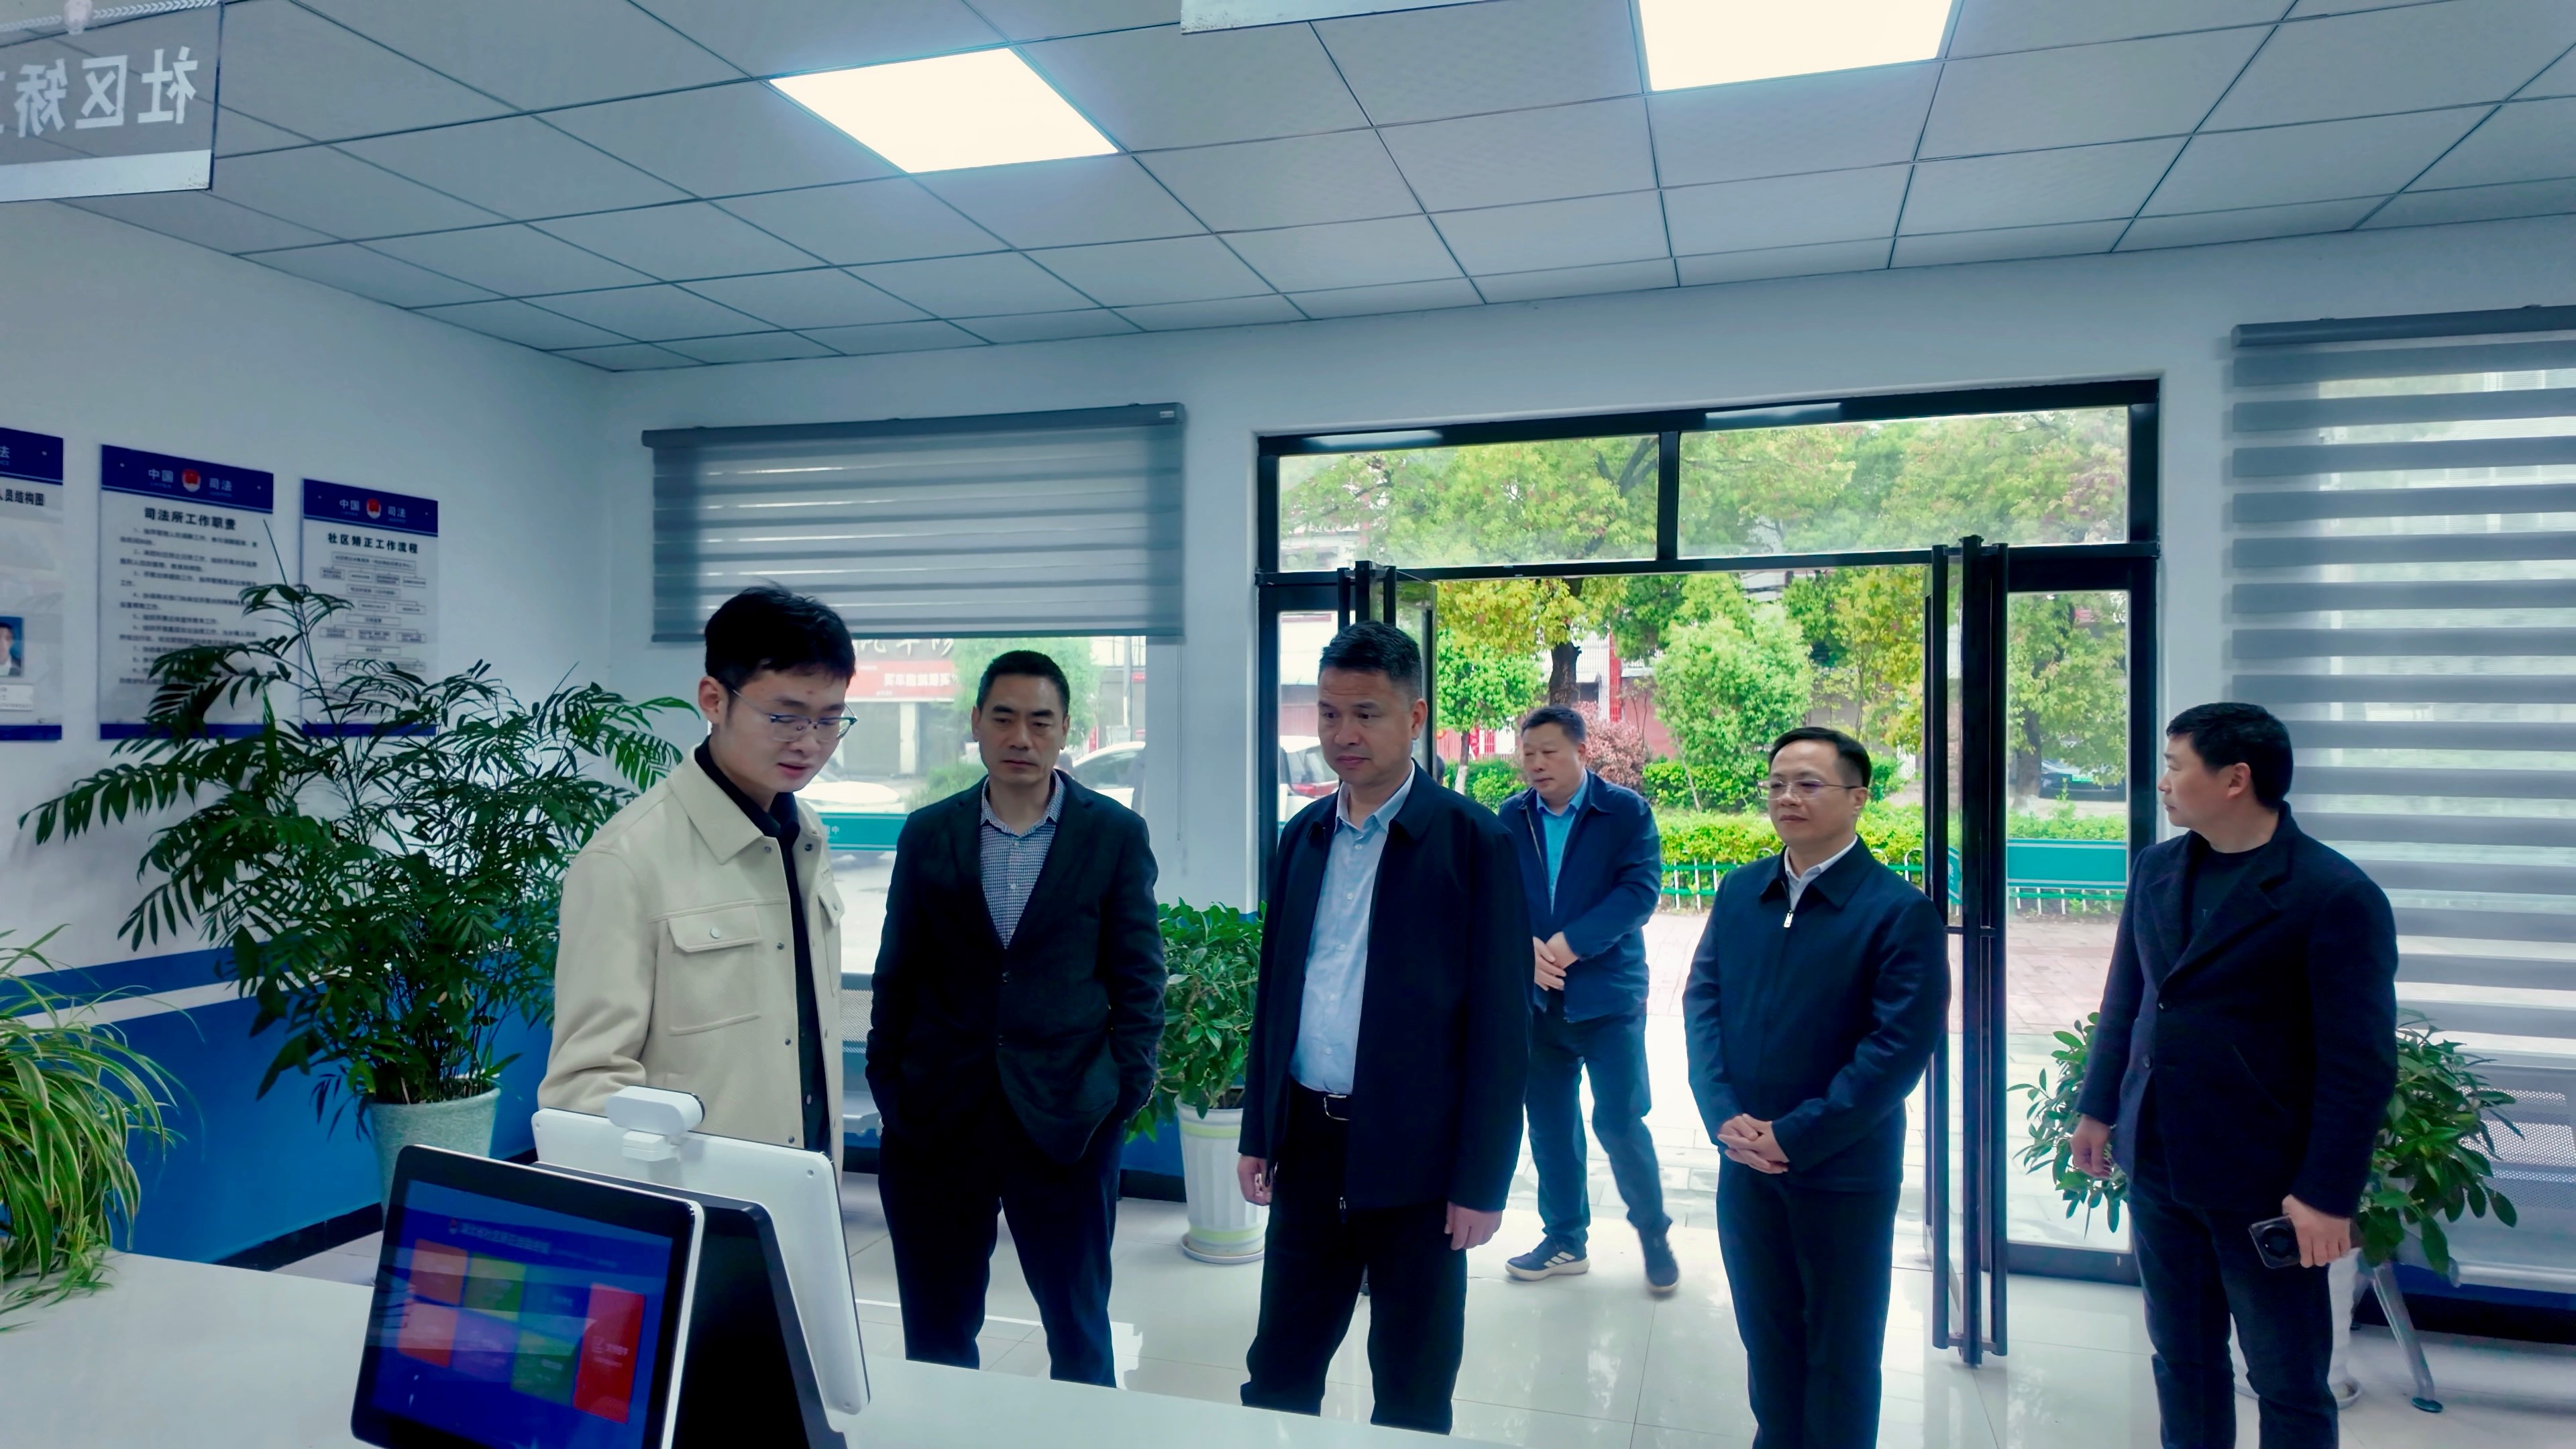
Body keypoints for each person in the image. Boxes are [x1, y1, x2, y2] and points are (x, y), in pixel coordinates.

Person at [2072, 703, 2397, 1449]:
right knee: (2182, 1360)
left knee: (2288, 1381)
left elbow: (2359, 1063)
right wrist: (2097, 1109)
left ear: (2235, 779)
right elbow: (2128, 998)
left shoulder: (2332, 893)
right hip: (2161, 1161)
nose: (2162, 783)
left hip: (2266, 1181)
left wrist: (2326, 1195)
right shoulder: (2157, 868)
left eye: (2175, 766)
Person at [1236, 621, 1529, 1436]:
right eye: (1329, 714)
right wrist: (1260, 1129)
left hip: (1419, 1159)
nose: (1344, 734)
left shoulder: (1474, 842)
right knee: (1279, 1368)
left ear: (1415, 716)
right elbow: (1278, 998)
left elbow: (1503, 1030)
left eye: (1366, 714)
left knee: (1412, 1383)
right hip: (1309, 1144)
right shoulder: (1304, 836)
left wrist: (1481, 1181)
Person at [866, 649, 1165, 1387]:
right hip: (939, 1117)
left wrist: (1122, 1091)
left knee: (1078, 1330)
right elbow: (897, 970)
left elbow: (1138, 976)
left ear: (1066, 730)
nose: (1020, 738)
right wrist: (890, 1085)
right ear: (976, 723)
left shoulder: (1113, 834)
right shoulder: (928, 833)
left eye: (1039, 721)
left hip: (1067, 1120)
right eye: (1003, 719)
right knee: (937, 1333)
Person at [1683, 726, 1946, 1449]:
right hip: (1746, 1164)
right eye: (1776, 784)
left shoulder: (1897, 911)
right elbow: (1703, 1003)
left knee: (1840, 1350)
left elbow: (1896, 1051)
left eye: (1808, 784)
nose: (1787, 798)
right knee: (1766, 1337)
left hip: (1842, 1172)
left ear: (1858, 799)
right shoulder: (1742, 891)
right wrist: (1724, 1116)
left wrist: (1794, 1136)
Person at [542, 585, 855, 1150]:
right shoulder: (626, 860)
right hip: (696, 1192)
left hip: (809, 1177)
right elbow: (584, 1087)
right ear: (714, 700)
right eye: (785, 717)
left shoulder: (805, 834)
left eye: (829, 720)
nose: (809, 744)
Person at [1493, 704, 1674, 1293]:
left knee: (1619, 1121)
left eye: (1549, 752)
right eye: (1528, 754)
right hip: (1538, 1001)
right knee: (1549, 1124)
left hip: (1608, 1000)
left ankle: (1653, 1233)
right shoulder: (1511, 816)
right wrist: (1525, 947)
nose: (1536, 764)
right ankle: (1565, 1240)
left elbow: (1639, 891)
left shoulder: (1624, 812)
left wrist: (1570, 945)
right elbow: (1495, 896)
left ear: (1581, 752)